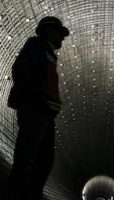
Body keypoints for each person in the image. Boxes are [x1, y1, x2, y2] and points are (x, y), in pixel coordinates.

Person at [5, 16, 69, 200]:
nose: (62, 38)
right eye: (59, 33)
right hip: (35, 109)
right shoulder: (36, 45)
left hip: (45, 114)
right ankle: (17, 195)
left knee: (45, 159)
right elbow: (20, 70)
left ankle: (32, 194)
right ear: (48, 31)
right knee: (28, 155)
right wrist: (34, 96)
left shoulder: (48, 52)